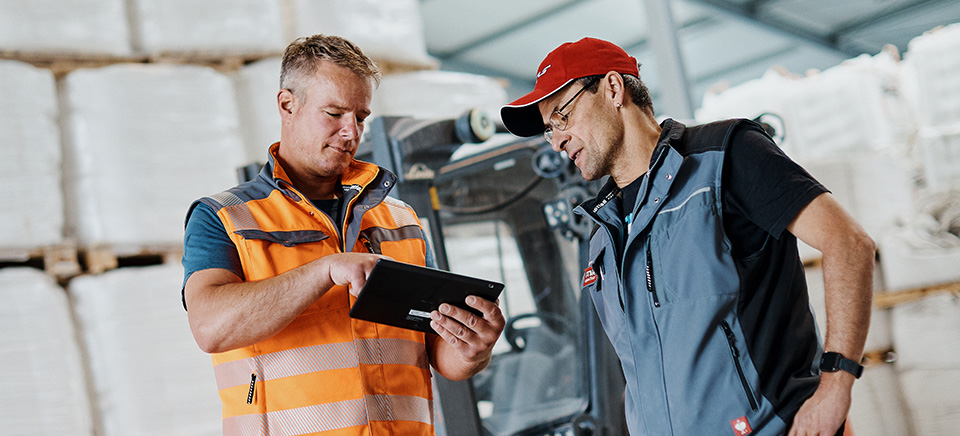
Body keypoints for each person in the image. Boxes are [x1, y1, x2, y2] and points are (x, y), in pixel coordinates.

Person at [500, 37, 875, 436]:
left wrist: (835, 386)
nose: (557, 140)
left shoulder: (726, 157)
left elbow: (848, 243)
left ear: (612, 89)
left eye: (562, 116)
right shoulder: (603, 235)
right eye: (548, 131)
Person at [181, 34, 504, 435]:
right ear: (287, 105)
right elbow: (210, 329)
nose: (351, 132)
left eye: (361, 117)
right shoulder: (224, 216)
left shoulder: (401, 219)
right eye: (334, 113)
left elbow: (440, 354)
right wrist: (326, 269)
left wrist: (473, 349)